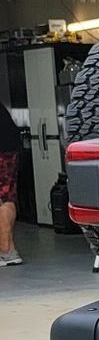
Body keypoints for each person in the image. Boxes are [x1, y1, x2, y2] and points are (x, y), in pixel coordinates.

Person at [0, 93, 23, 267]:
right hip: (8, 148)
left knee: (3, 198)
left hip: (3, 150)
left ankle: (7, 252)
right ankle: (8, 249)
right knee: (6, 197)